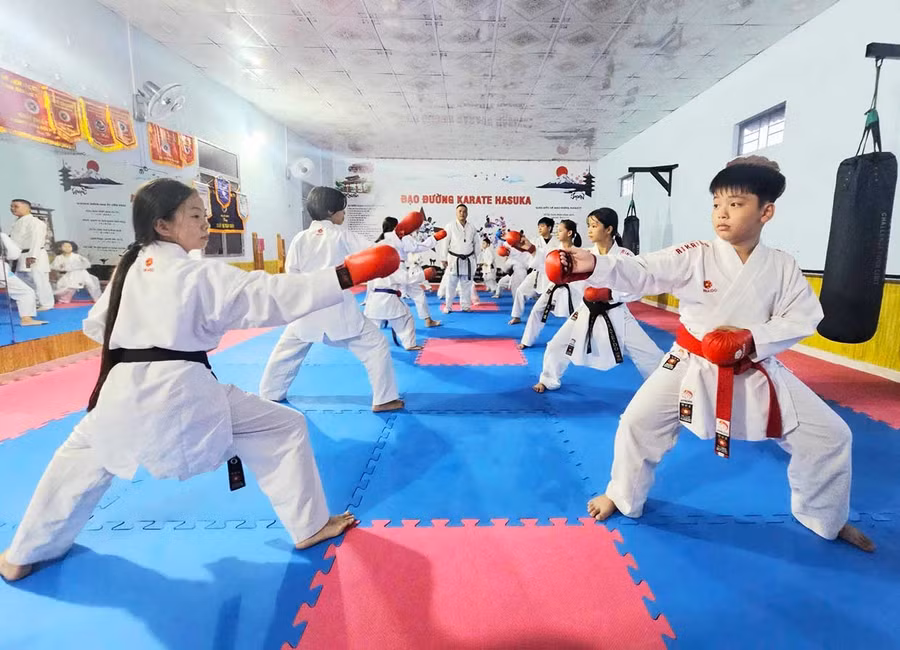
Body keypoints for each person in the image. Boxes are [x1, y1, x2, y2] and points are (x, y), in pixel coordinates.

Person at [0, 178, 402, 582]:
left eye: (205, 216)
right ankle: (311, 525)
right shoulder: (194, 273)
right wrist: (344, 277)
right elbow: (269, 294)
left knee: (78, 462)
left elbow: (97, 326)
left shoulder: (129, 266)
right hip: (182, 388)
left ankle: (23, 552)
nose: (206, 224)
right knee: (285, 427)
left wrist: (150, 332)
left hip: (119, 388)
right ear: (162, 225)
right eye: (195, 216)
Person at [546, 156, 875, 552]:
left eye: (735, 205)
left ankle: (825, 517)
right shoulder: (697, 253)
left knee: (833, 435)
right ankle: (622, 495)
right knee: (636, 422)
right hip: (690, 361)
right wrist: (591, 263)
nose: (721, 214)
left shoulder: (781, 265)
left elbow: (805, 316)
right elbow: (645, 270)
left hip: (755, 365)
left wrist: (752, 339)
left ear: (766, 212)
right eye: (717, 204)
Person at [258, 187, 405, 412]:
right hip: (337, 308)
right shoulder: (342, 235)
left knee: (285, 352)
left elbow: (292, 273)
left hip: (305, 307)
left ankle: (269, 394)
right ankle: (384, 398)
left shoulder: (300, 238)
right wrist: (397, 239)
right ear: (330, 211)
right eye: (341, 210)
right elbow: (377, 252)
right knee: (375, 345)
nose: (343, 214)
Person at [533, 208, 664, 393]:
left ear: (609, 229)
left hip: (617, 311)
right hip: (586, 309)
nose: (589, 230)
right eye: (588, 226)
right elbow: (554, 268)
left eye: (594, 225)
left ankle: (663, 389)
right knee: (556, 345)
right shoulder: (584, 253)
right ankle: (548, 379)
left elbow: (637, 289)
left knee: (650, 353)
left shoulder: (625, 256)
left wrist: (610, 294)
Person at [364, 213, 432, 350]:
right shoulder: (392, 264)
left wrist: (368, 298)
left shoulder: (376, 258)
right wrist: (424, 274)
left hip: (373, 301)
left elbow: (370, 283)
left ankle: (367, 346)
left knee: (370, 327)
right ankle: (410, 344)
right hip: (389, 300)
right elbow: (406, 279)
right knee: (406, 319)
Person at [518, 219, 584, 349]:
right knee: (537, 310)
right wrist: (530, 248)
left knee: (579, 316)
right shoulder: (554, 250)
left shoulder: (579, 252)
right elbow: (542, 258)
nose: (557, 233)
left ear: (569, 233)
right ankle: (527, 340)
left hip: (572, 288)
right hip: (553, 286)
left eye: (560, 230)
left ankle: (582, 342)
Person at [8, 199, 54, 311]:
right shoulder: (17, 222)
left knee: (39, 280)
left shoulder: (35, 222)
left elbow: (36, 240)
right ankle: (33, 301)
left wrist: (32, 256)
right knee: (24, 280)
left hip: (34, 253)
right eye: (11, 206)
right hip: (20, 254)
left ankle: (46, 303)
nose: (12, 209)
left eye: (16, 206)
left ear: (27, 207)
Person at [509, 217, 554, 325]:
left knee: (554, 299)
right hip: (537, 273)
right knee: (521, 291)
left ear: (549, 227)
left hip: (552, 275)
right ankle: (516, 316)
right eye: (538, 227)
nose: (539, 229)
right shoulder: (535, 241)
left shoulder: (556, 242)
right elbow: (526, 253)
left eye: (542, 226)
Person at [0, 228, 46, 326]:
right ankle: (26, 319)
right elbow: (14, 254)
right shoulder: (2, 236)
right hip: (1, 270)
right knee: (25, 292)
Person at [440, 203, 477, 313]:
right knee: (451, 284)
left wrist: (477, 259)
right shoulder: (450, 226)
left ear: (467, 213)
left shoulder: (472, 227)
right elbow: (445, 243)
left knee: (466, 285)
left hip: (468, 260)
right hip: (453, 260)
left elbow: (476, 244)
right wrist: (443, 258)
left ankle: (465, 306)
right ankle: (448, 306)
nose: (462, 213)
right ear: (456, 213)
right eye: (460, 211)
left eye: (464, 211)